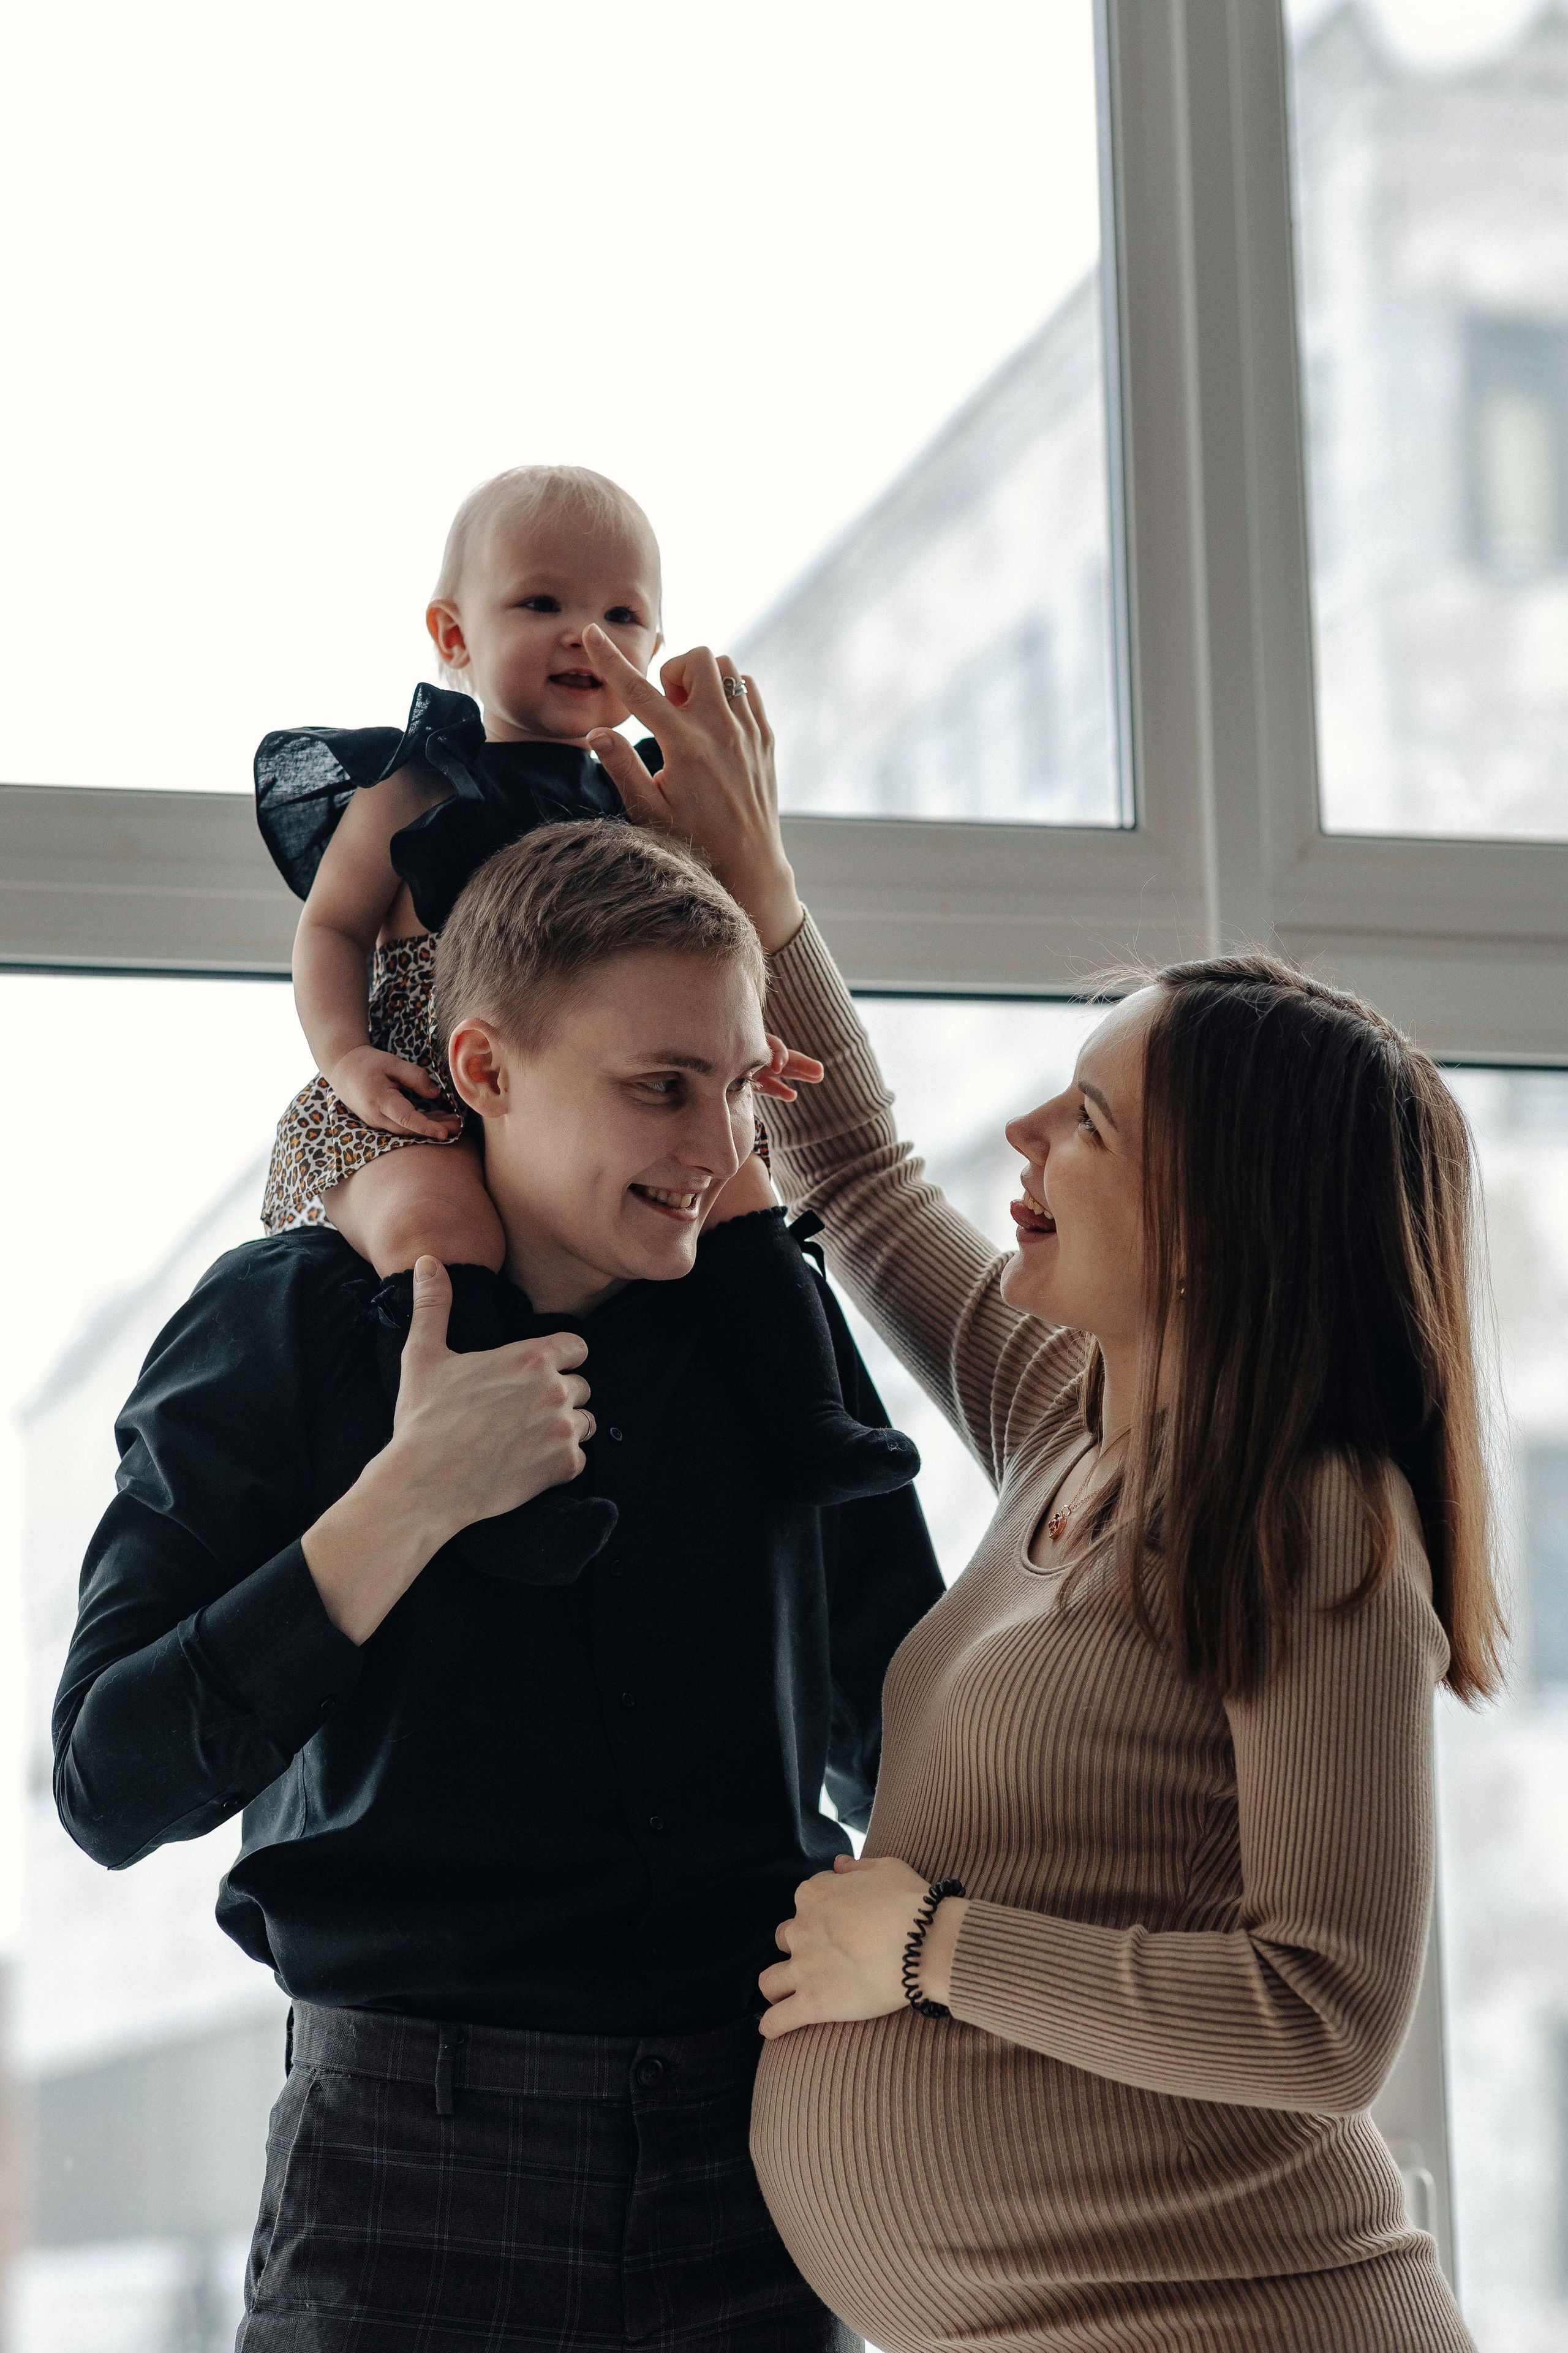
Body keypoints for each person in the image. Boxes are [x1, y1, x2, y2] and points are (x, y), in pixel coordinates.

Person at [581, 622, 1501, 2352]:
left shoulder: (1312, 1525)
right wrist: (762, 890)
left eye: (1089, 1120)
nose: (1021, 1135)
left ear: (1217, 1227)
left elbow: (1329, 2016)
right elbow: (844, 1165)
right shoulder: (1068, 1417)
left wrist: (932, 1949)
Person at [53, 810, 943, 2351]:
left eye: (734, 1091)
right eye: (658, 1088)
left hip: (770, 2173)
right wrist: (404, 1502)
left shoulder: (763, 1335)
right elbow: (106, 1781)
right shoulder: (281, 1325)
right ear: (481, 1070)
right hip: (406, 2184)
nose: (715, 1152)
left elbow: (914, 1733)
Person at [253, 462, 915, 1583]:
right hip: (410, 1094)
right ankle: (496, 1480)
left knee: (746, 1180)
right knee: (434, 1227)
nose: (583, 636)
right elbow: (331, 935)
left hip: (591, 1108)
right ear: (451, 632)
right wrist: (346, 1056)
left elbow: (699, 960)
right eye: (542, 605)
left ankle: (809, 1422)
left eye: (621, 615)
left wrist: (740, 1056)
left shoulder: (636, 802)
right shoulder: (412, 787)